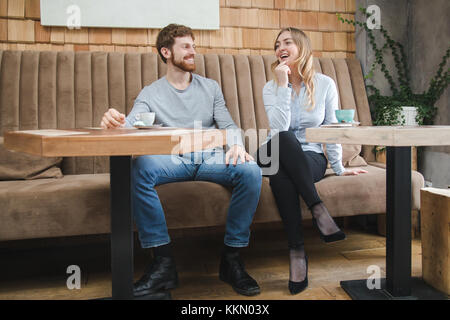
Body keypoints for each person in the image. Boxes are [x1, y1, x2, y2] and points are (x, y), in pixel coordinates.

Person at [100, 24, 262, 297]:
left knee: (251, 171)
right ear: (166, 52)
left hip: (211, 158)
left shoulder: (210, 88)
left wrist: (235, 145)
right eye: (186, 47)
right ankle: (163, 264)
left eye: (193, 46)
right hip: (173, 160)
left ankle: (232, 259)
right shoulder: (150, 93)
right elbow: (128, 125)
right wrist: (112, 122)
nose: (193, 52)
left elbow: (230, 125)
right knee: (138, 168)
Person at [257, 27, 368, 295]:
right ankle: (318, 210)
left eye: (287, 42)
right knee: (284, 139)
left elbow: (330, 127)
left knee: (282, 176)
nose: (280, 47)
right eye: (277, 44)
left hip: (310, 157)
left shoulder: (325, 84)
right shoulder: (271, 87)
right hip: (271, 152)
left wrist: (339, 168)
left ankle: (297, 253)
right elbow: (279, 128)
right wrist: (283, 85)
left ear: (302, 47)